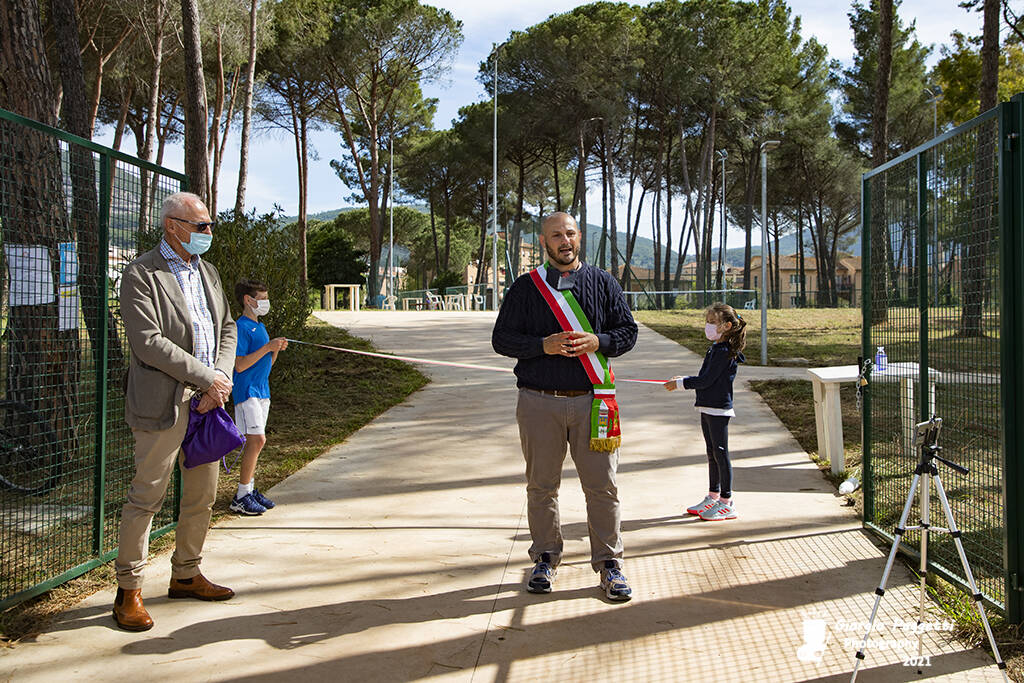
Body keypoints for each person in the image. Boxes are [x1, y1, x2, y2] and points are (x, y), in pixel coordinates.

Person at [492, 212, 638, 602]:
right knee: (542, 487)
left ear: (579, 238)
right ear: (544, 242)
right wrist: (543, 345)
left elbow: (628, 332)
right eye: (556, 235)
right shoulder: (526, 288)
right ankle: (544, 557)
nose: (565, 240)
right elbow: (502, 339)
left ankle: (610, 564)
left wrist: (599, 341)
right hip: (538, 403)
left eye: (570, 233)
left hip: (594, 402)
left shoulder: (604, 282)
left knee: (602, 487)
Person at [113, 191, 238, 631]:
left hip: (209, 402)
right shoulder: (141, 273)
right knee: (146, 495)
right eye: (201, 225)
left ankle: (186, 574)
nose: (209, 232)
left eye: (209, 225)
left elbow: (227, 327)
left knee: (202, 495)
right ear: (173, 226)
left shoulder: (210, 272)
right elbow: (148, 342)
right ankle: (128, 590)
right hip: (164, 403)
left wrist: (218, 381)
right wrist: (207, 378)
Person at [664, 302, 747, 521]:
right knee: (712, 453)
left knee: (721, 454)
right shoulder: (715, 348)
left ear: (727, 326)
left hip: (719, 409)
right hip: (707, 406)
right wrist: (681, 380)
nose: (708, 326)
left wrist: (681, 383)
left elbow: (706, 380)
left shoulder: (725, 351)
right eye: (707, 322)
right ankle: (713, 496)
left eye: (712, 322)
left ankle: (727, 502)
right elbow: (705, 378)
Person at [229, 279, 288, 515]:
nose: (265, 303)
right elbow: (240, 365)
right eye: (261, 299)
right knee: (257, 440)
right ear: (248, 300)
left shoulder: (260, 327)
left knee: (256, 442)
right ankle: (242, 495)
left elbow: (266, 363)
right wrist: (267, 347)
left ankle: (249, 489)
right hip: (247, 391)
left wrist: (274, 350)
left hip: (263, 390)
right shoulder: (240, 327)